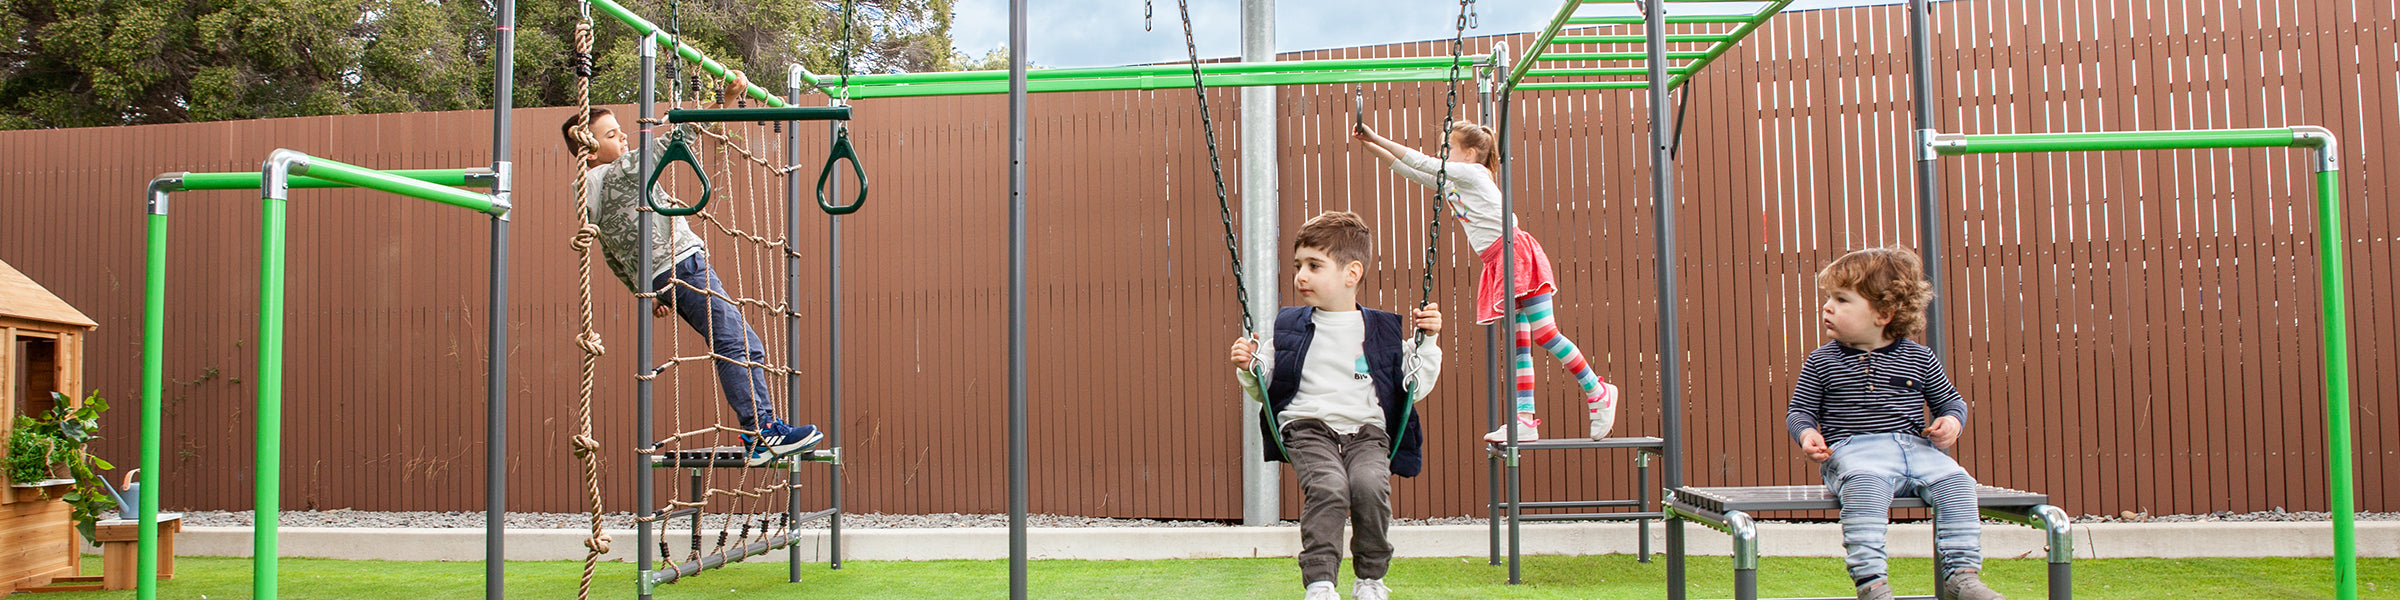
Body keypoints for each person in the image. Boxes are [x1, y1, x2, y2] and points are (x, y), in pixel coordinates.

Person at [562, 70, 821, 466]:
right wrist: (728, 99)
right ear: (589, 147)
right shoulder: (617, 173)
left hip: (664, 276)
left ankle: (762, 430)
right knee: (739, 344)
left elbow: (611, 253)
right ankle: (761, 433)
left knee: (735, 342)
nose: (624, 136)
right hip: (682, 266)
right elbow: (677, 137)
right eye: (612, 134)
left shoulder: (587, 192)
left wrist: (646, 290)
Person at [1352, 121, 1620, 442]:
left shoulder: (1475, 173)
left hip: (1514, 253)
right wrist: (1369, 144)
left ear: (1471, 154)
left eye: (1448, 148)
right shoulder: (1454, 184)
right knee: (1518, 345)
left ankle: (1598, 390)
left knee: (1545, 333)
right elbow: (1410, 170)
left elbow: (1421, 161)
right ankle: (1524, 420)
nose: (1442, 154)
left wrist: (1378, 134)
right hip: (1496, 261)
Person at [1229, 211, 1443, 600]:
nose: (1301, 276)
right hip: (1307, 426)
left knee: (1367, 487)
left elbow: (1415, 384)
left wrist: (1428, 341)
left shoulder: (1381, 330)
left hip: (1368, 431)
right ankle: (1321, 581)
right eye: (1298, 266)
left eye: (1314, 265)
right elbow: (1267, 384)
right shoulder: (1290, 325)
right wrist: (1249, 366)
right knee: (1328, 487)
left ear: (1352, 273)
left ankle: (1371, 578)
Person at [1787, 246, 2004, 600]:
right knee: (1865, 486)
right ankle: (1871, 582)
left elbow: (1950, 402)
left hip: (1916, 449)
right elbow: (1800, 411)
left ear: (1883, 313)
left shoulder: (1918, 356)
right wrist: (1808, 434)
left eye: (1842, 300)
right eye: (1829, 298)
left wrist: (1950, 422)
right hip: (1854, 452)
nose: (1828, 307)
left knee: (1959, 483)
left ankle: (1962, 575)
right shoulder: (1821, 361)